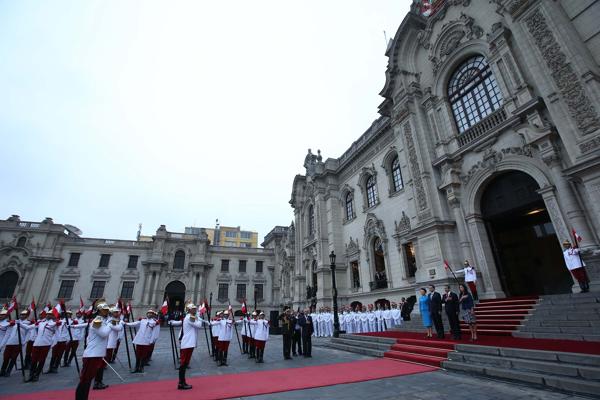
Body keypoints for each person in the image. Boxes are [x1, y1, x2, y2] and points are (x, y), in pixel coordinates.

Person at [74, 301, 120, 400]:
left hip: (97, 354)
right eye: (104, 310)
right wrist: (110, 325)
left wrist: (110, 323)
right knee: (85, 379)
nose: (106, 312)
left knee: (89, 378)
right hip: (92, 354)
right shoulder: (97, 321)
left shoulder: (104, 320)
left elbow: (118, 327)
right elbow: (103, 333)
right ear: (99, 311)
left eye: (107, 310)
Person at [169, 303, 208, 390]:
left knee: (185, 363)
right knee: (183, 363)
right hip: (187, 343)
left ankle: (182, 382)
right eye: (193, 309)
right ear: (189, 310)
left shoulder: (190, 317)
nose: (195, 310)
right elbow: (198, 325)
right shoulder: (190, 317)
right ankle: (181, 383)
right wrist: (199, 319)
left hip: (189, 343)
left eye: (195, 308)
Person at [26, 311, 60, 382]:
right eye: (47, 314)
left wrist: (53, 344)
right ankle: (31, 375)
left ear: (53, 316)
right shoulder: (40, 322)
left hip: (45, 344)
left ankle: (37, 375)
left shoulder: (55, 324)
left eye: (50, 314)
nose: (48, 315)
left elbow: (57, 335)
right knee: (33, 360)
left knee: (41, 360)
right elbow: (28, 327)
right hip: (36, 344)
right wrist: (19, 323)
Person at [0, 309, 32, 377]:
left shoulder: (28, 323)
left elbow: (28, 333)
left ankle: (8, 371)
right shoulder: (14, 322)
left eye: (23, 315)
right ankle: (2, 370)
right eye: (21, 314)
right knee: (6, 357)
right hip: (10, 341)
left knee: (13, 357)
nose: (22, 316)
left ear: (27, 315)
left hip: (18, 342)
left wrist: (24, 341)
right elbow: (8, 332)